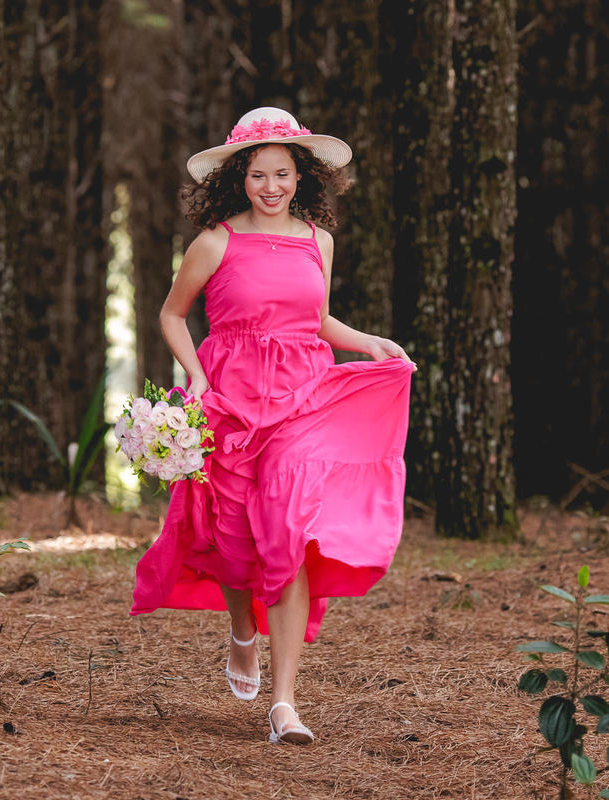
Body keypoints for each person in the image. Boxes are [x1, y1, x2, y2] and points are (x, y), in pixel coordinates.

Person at [131, 107, 415, 744]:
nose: (271, 186)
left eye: (282, 174)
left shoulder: (319, 241)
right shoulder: (215, 242)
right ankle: (241, 630)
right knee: (234, 538)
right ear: (240, 178)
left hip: (299, 402)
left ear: (301, 176)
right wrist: (194, 376)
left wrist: (369, 342)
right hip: (231, 399)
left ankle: (284, 704)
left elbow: (317, 321)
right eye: (258, 174)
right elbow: (172, 314)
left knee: (287, 531)